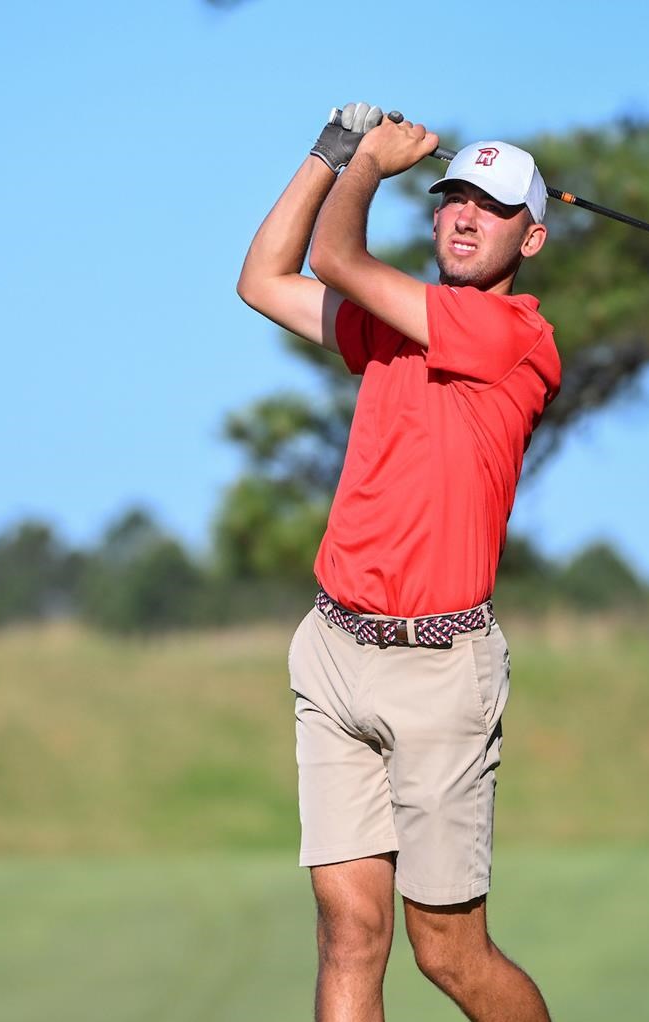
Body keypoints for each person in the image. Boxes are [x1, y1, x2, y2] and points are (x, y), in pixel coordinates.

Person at [236, 102, 560, 1022]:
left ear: (530, 238)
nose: (461, 217)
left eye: (490, 209)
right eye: (452, 198)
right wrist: (328, 154)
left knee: (447, 951)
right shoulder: (390, 325)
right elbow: (264, 279)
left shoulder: (514, 339)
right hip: (336, 650)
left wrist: (369, 168)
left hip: (440, 670)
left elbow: (336, 259)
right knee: (348, 932)